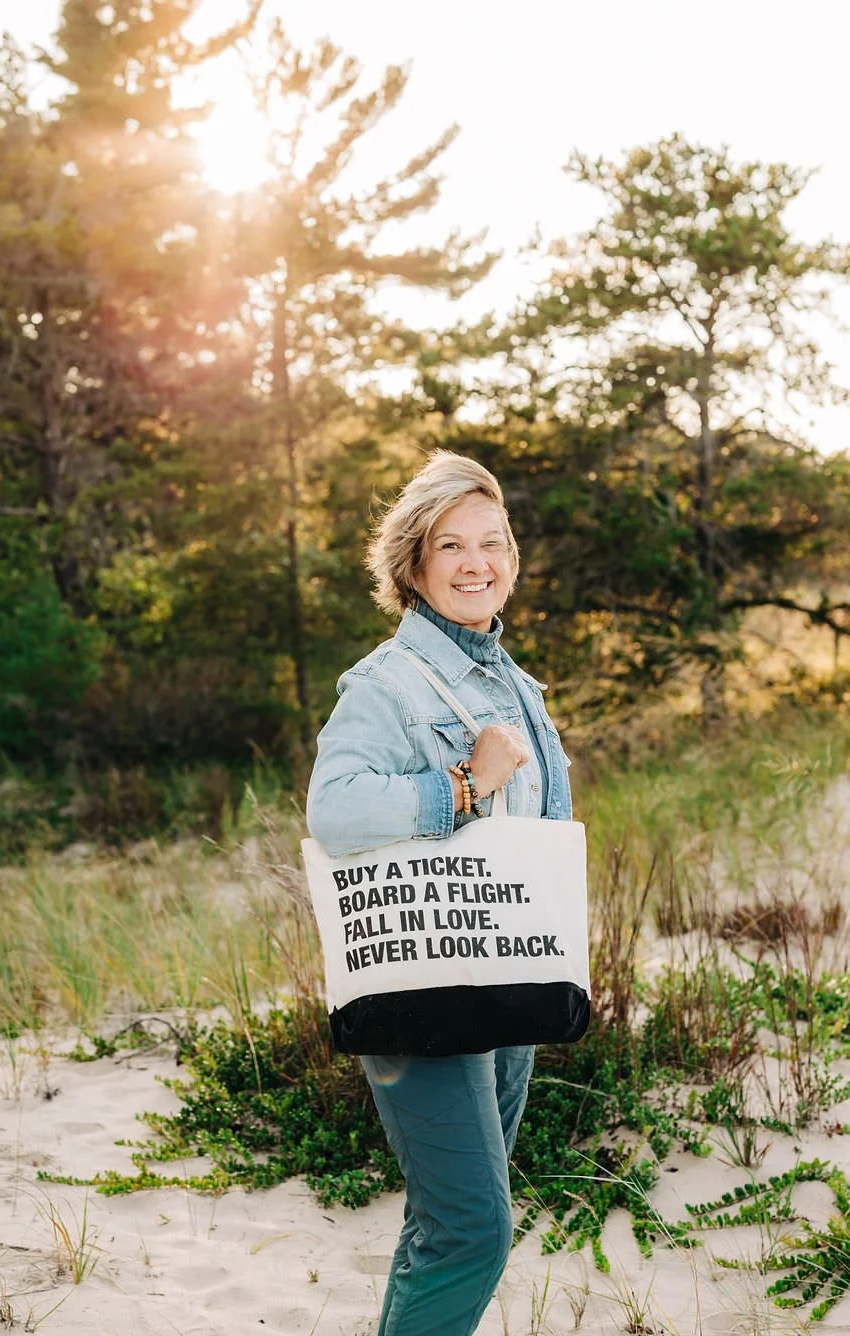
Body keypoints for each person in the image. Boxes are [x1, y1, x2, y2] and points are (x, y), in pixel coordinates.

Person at [306, 451, 573, 1336]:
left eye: (492, 542)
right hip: (424, 978)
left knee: (443, 1223)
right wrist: (458, 786)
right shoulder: (385, 684)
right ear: (413, 566)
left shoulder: (517, 685)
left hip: (503, 972)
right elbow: (334, 810)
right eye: (452, 545)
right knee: (473, 1231)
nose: (477, 563)